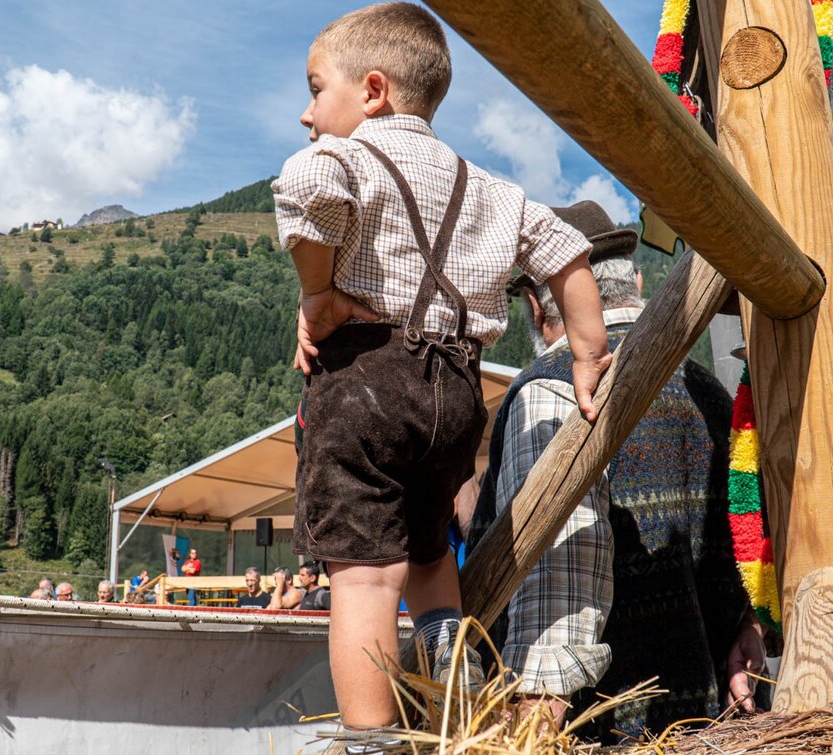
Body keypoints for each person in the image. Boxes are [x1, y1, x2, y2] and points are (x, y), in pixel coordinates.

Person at [272, 3, 610, 737]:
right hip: (455, 391)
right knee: (429, 564)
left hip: (365, 378)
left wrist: (318, 292)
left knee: (363, 577)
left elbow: (307, 191)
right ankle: (457, 717)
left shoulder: (345, 157)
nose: (305, 114)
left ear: (371, 90)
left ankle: (373, 740)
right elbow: (566, 255)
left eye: (314, 88)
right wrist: (588, 354)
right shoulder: (489, 186)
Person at [464, 201, 759, 741]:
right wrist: (748, 620)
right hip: (717, 724)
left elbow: (557, 561)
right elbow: (747, 536)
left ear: (535, 304)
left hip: (597, 728)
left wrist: (532, 710)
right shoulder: (711, 394)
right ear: (638, 279)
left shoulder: (549, 389)